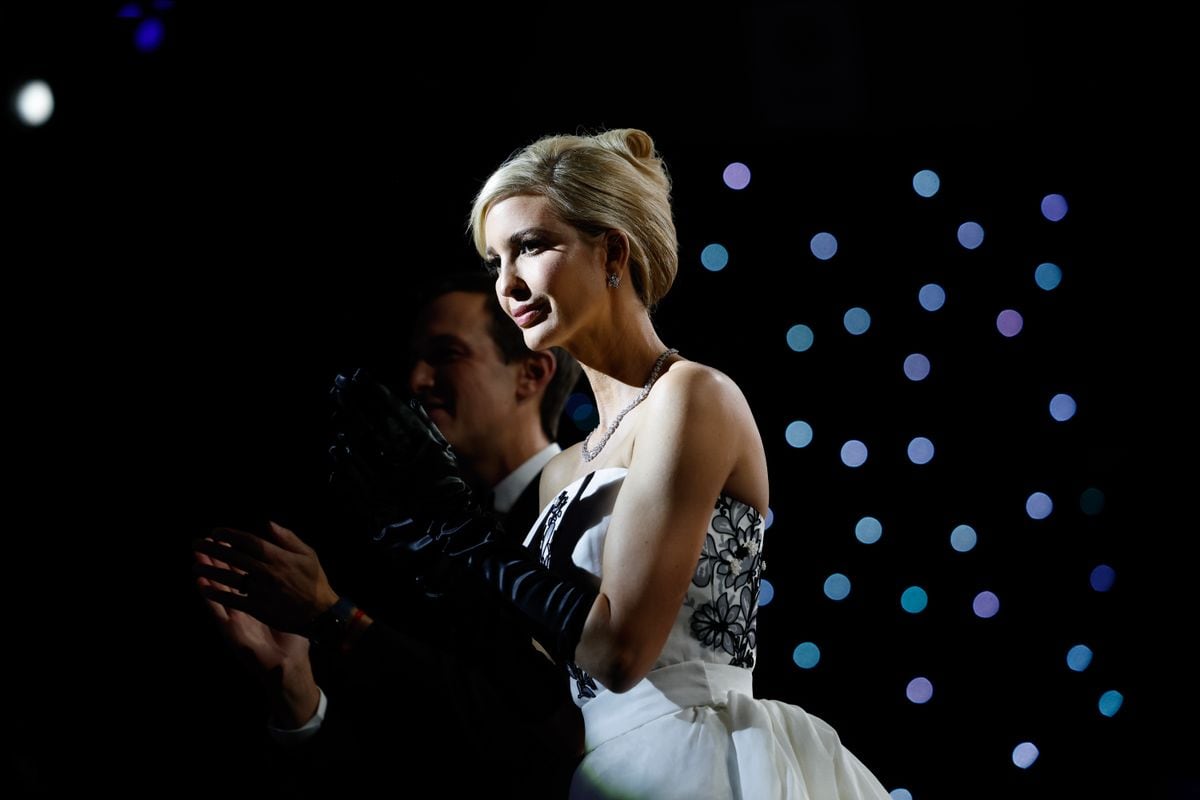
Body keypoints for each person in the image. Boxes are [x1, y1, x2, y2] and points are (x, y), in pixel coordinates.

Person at [198, 128, 891, 798]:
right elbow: (539, 694)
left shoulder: (693, 397)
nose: (509, 283)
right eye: (497, 261)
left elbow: (620, 653)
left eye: (530, 247)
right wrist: (443, 563)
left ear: (612, 252)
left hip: (695, 757)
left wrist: (468, 540)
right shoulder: (564, 470)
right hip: (597, 772)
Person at [194, 275, 584, 797]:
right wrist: (297, 693)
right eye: (415, 360)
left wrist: (332, 617)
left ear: (531, 373)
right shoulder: (402, 538)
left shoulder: (583, 514)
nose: (418, 379)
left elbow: (537, 731)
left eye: (447, 354)